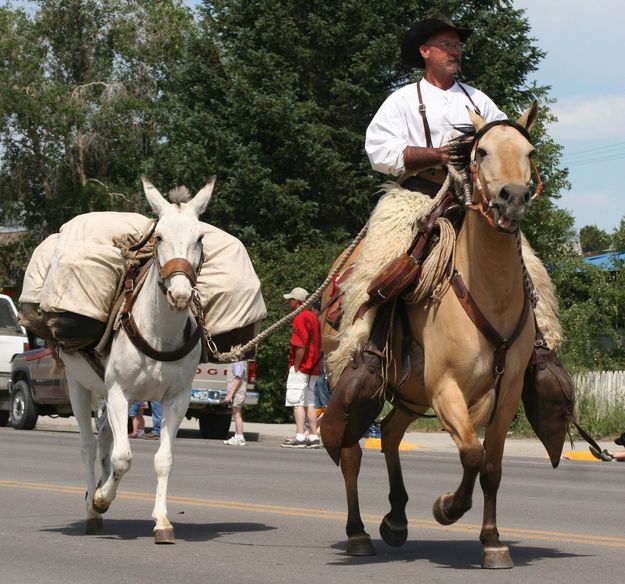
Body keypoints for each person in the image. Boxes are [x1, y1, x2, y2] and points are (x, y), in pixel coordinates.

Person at [365, 15, 506, 193]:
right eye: (447, 45)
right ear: (425, 51)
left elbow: (505, 140)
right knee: (386, 221)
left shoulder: (478, 99)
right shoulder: (402, 99)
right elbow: (379, 150)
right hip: (416, 194)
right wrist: (441, 155)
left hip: (473, 194)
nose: (455, 51)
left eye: (457, 46)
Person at [281, 287, 322, 449]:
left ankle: (299, 435)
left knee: (296, 402)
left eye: (291, 300)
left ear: (297, 302)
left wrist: (296, 367)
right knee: (310, 402)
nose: (289, 302)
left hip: (303, 367)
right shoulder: (313, 317)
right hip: (314, 367)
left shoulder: (300, 318)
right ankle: (313, 436)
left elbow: (300, 346)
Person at [223, 360, 248, 446]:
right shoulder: (237, 361)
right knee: (236, 414)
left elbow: (238, 378)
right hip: (236, 392)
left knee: (237, 415)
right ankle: (237, 436)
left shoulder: (238, 361)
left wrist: (230, 395)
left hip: (237, 392)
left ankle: (240, 437)